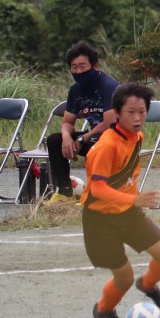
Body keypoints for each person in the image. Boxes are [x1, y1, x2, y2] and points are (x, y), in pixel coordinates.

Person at [81, 82, 160, 318]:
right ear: (116, 113)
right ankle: (103, 311)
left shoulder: (137, 137)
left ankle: (148, 285)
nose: (137, 118)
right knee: (124, 277)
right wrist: (134, 199)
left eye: (142, 112)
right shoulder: (106, 146)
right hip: (100, 220)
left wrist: (131, 201)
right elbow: (97, 189)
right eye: (130, 112)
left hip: (128, 214)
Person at [46, 39, 120, 201]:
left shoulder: (108, 86)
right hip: (95, 139)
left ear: (95, 66)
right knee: (54, 140)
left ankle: (95, 195)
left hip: (117, 141)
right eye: (74, 67)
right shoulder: (75, 90)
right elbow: (67, 122)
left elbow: (109, 124)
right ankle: (65, 193)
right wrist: (66, 136)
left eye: (82, 66)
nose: (78, 71)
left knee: (94, 141)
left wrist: (82, 139)